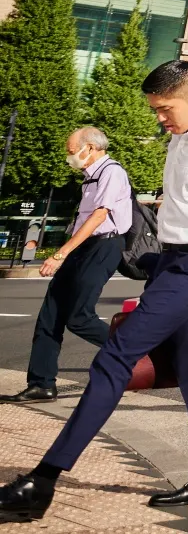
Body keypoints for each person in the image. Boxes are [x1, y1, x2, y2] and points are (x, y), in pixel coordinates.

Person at [0, 61, 188, 518]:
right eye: (155, 109)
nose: (160, 117)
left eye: (165, 107)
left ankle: (42, 482)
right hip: (174, 260)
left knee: (116, 357)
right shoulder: (183, 135)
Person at [4, 128, 134, 403]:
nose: (69, 156)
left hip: (105, 246)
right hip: (84, 247)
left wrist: (60, 253)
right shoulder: (90, 178)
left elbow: (100, 216)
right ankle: (41, 384)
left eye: (72, 150)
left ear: (90, 147)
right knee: (50, 315)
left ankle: (135, 349)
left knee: (78, 316)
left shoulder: (112, 172)